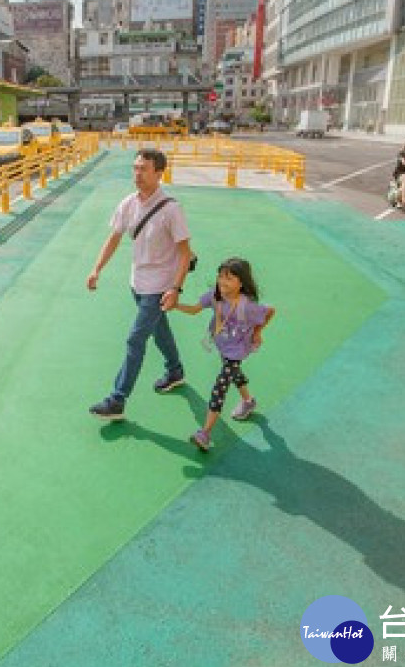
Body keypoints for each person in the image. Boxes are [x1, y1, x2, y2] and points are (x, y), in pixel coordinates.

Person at [87, 148, 194, 421]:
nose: (137, 173)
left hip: (160, 285)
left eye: (143, 169)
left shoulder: (172, 209)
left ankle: (117, 400)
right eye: (135, 168)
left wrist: (176, 288)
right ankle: (175, 371)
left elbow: (185, 254)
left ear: (160, 172)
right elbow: (114, 239)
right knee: (160, 331)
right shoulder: (128, 204)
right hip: (137, 282)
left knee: (136, 339)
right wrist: (96, 269)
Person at [174, 257, 275, 452]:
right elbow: (195, 309)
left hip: (236, 351)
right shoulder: (215, 296)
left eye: (229, 278)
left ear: (241, 283)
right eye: (221, 276)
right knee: (235, 374)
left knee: (220, 386)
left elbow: (270, 311)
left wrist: (257, 332)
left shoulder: (247, 306)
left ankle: (205, 433)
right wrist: (175, 305)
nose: (222, 281)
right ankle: (248, 401)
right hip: (222, 344)